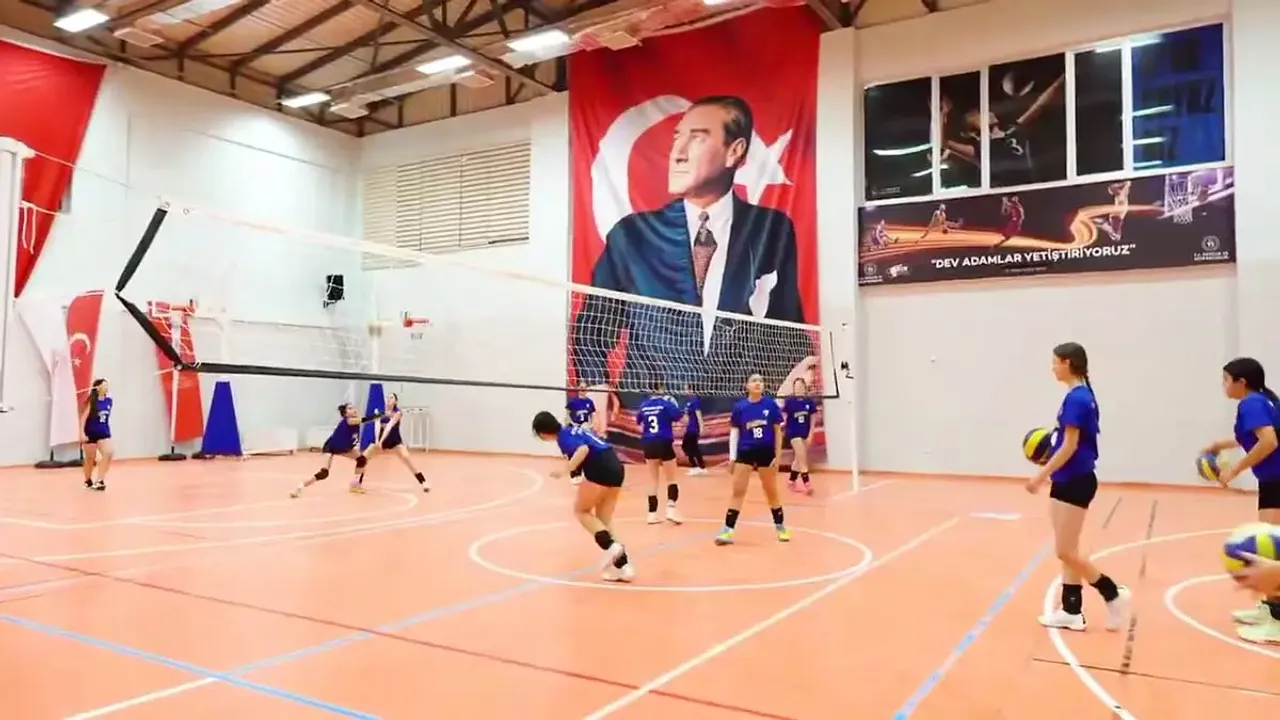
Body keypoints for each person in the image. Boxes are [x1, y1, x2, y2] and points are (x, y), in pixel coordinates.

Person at [570, 95, 814, 421]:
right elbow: (594, 326)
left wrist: (797, 380)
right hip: (648, 417)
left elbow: (785, 326)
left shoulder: (772, 230)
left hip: (738, 417)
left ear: (735, 151)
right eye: (677, 138)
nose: (678, 153)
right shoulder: (630, 236)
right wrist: (596, 382)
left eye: (697, 138)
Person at [1027, 342, 1131, 631]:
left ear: (1068, 363)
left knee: (1065, 551)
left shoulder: (1078, 399)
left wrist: (1040, 475)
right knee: (1068, 549)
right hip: (1065, 479)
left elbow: (1070, 445)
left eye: (1055, 362)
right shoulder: (1079, 395)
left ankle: (1112, 593)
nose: (1052, 368)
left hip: (1075, 480)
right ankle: (1071, 610)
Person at [1198, 357, 1280, 643]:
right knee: (1269, 544)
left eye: (1226, 379)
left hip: (1277, 480)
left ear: (1241, 382)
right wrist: (1220, 444)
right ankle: (1269, 609)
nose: (1224, 385)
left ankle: (1277, 619)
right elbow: (1255, 435)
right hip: (1272, 480)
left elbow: (1269, 441)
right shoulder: (1262, 401)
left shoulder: (1251, 403)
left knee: (1270, 549)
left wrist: (1234, 469)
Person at [532, 411, 634, 582]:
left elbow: (583, 449)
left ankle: (612, 548)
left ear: (542, 433)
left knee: (582, 511)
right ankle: (625, 567)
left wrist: (565, 471)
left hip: (600, 466)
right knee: (603, 520)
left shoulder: (564, 438)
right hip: (616, 465)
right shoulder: (572, 429)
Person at [715, 373, 789, 545]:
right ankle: (727, 531)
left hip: (766, 452)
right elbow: (735, 432)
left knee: (771, 491)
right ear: (747, 386)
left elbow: (778, 431)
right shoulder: (740, 407)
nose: (758, 383)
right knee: (738, 491)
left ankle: (780, 527)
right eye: (754, 381)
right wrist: (732, 457)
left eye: (761, 381)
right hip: (745, 452)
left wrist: (778, 456)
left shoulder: (770, 405)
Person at [291, 403, 379, 498]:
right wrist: (377, 415)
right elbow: (364, 420)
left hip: (345, 448)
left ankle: (355, 485)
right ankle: (300, 487)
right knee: (324, 473)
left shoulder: (356, 423)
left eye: (353, 408)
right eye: (349, 408)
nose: (353, 409)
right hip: (330, 448)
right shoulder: (349, 420)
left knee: (361, 460)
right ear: (345, 413)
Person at [362, 393, 430, 493]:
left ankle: (423, 482)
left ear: (396, 401)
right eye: (387, 397)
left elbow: (389, 426)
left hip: (395, 442)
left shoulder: (398, 413)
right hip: (379, 442)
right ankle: (357, 482)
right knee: (363, 459)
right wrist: (377, 442)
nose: (389, 399)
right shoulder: (380, 412)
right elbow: (377, 425)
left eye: (391, 398)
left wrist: (380, 441)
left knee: (407, 459)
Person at [636, 383, 684, 525]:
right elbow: (682, 419)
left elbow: (639, 421)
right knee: (671, 478)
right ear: (662, 388)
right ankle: (671, 510)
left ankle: (652, 514)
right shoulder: (666, 404)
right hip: (663, 441)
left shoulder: (644, 405)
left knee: (653, 480)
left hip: (648, 442)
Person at [780, 377, 817, 495]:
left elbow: (813, 420)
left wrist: (811, 434)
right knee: (802, 458)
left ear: (805, 388)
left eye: (801, 386)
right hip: (793, 433)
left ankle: (791, 481)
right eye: (796, 387)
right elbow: (784, 417)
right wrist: (781, 426)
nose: (798, 389)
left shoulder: (809, 402)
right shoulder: (790, 401)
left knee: (798, 458)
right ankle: (807, 483)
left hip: (805, 433)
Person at [80, 378, 113, 492]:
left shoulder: (109, 401)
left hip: (103, 432)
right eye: (104, 385)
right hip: (90, 432)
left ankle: (100, 480)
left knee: (108, 453)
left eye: (107, 385)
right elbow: (83, 418)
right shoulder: (92, 402)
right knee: (90, 459)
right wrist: (82, 433)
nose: (106, 387)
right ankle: (88, 480)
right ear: (97, 388)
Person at [681, 384, 707, 476]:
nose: (684, 392)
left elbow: (698, 414)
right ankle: (700, 467)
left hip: (694, 428)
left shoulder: (695, 400)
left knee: (691, 447)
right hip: (689, 427)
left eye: (686, 389)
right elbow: (687, 416)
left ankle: (697, 467)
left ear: (691, 390)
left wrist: (702, 427)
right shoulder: (688, 402)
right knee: (687, 446)